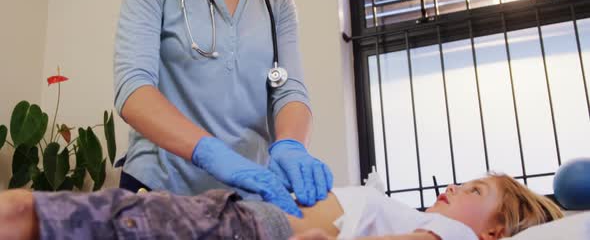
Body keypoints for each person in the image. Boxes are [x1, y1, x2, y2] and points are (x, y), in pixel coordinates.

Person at [113, 0, 332, 217]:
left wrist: (291, 145)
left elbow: (289, 90)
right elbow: (133, 89)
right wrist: (210, 152)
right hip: (157, 194)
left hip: (245, 204)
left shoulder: (277, 2)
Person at [0, 173, 563, 240]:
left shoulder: (450, 236)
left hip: (250, 228)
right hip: (239, 220)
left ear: (495, 232)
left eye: (474, 194)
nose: (454, 190)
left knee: (28, 215)